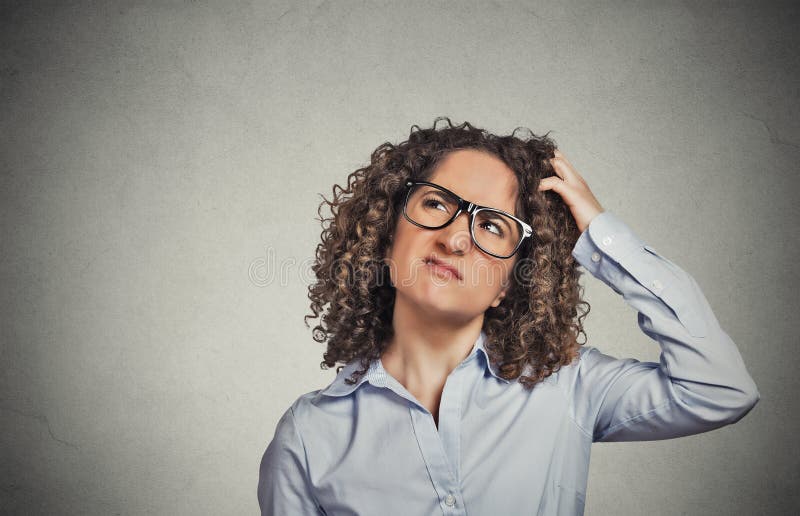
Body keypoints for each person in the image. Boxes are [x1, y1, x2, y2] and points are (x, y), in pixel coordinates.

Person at [257, 118, 759, 515]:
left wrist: (602, 238)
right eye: (436, 204)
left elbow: (720, 390)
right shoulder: (307, 437)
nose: (454, 239)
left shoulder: (570, 385)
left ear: (509, 283)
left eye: (492, 226)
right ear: (387, 237)